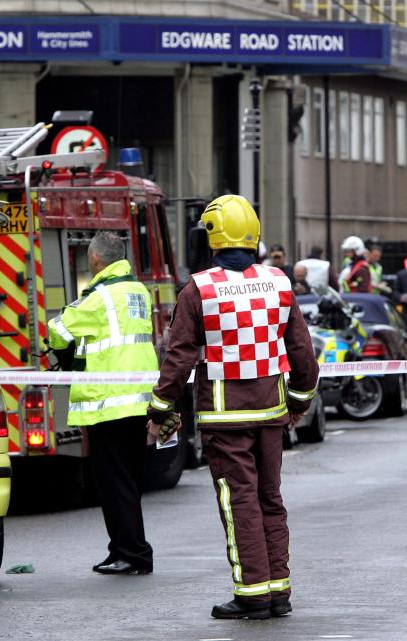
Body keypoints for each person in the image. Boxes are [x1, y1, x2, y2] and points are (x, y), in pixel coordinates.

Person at [146, 194, 320, 620]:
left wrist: (160, 409)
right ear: (254, 233)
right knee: (269, 498)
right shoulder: (279, 282)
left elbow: (179, 357)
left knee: (237, 500)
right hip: (271, 412)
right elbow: (303, 354)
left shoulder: (200, 289)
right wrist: (298, 401)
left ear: (212, 237)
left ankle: (253, 594)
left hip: (225, 417)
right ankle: (278, 590)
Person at [46, 231, 159, 576]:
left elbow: (58, 330)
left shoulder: (100, 298)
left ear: (95, 259)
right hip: (138, 402)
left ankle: (132, 553)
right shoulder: (137, 290)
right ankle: (123, 549)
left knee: (114, 483)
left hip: (109, 405)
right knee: (128, 482)